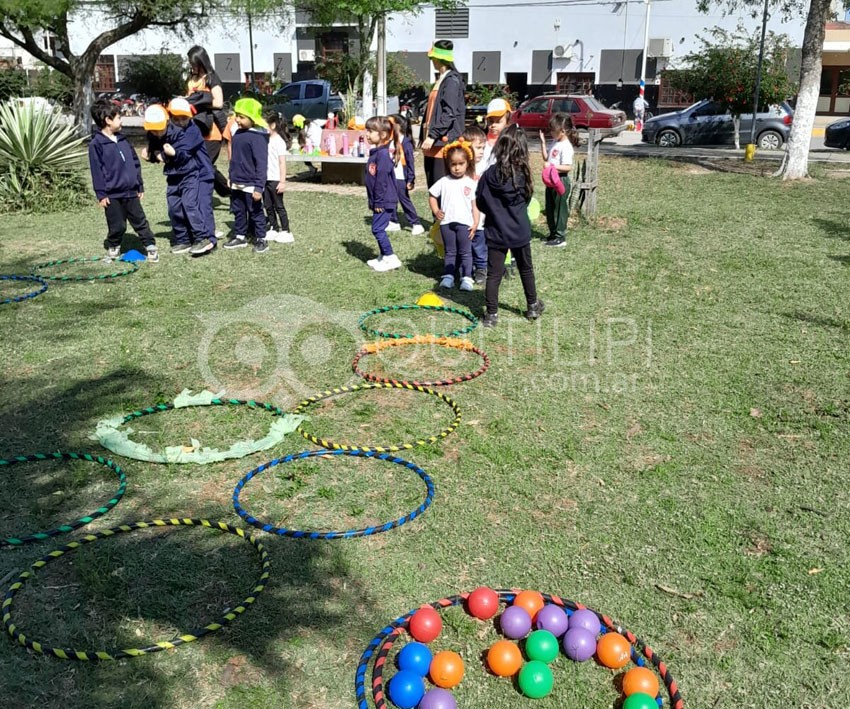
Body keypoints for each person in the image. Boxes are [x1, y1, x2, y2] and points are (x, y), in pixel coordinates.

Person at [475, 124, 544, 328]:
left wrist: (495, 213)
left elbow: (480, 201)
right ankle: (532, 305)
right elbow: (527, 197)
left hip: (496, 230)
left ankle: (491, 315)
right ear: (521, 150)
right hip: (519, 230)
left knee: (494, 274)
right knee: (525, 268)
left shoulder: (488, 175)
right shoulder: (523, 174)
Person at [142, 100, 217, 255]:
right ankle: (187, 239)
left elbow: (179, 152)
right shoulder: (165, 131)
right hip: (180, 172)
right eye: (176, 118)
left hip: (201, 172)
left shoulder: (191, 131)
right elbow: (159, 148)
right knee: (178, 207)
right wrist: (152, 154)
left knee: (200, 206)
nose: (180, 121)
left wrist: (159, 155)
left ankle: (208, 240)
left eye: (184, 118)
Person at [88, 99, 158, 262]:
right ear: (108, 120)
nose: (121, 121)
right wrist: (101, 193)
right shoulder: (96, 144)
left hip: (131, 191)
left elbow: (134, 162)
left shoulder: (123, 140)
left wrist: (139, 184)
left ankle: (150, 245)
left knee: (140, 221)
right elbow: (96, 171)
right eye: (118, 117)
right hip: (112, 194)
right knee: (117, 224)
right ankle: (113, 246)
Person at [428, 141, 480, 291]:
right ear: (448, 164)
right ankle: (449, 276)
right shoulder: (444, 182)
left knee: (465, 252)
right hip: (446, 223)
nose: (457, 168)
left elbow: (474, 205)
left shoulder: (471, 183)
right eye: (453, 164)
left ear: (467, 163)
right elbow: (432, 195)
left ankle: (467, 278)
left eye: (461, 164)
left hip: (465, 223)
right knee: (450, 251)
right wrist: (436, 210)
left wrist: (476, 222)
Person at [224, 98, 269, 254]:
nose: (237, 119)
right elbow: (235, 159)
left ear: (252, 119)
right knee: (238, 210)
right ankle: (240, 236)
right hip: (237, 181)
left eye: (242, 117)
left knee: (255, 212)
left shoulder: (257, 137)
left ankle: (261, 238)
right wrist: (231, 176)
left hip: (251, 183)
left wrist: (259, 187)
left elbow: (261, 164)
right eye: (237, 115)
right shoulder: (236, 134)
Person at [420, 40, 466, 188]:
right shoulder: (441, 79)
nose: (432, 61)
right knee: (433, 187)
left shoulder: (451, 81)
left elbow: (449, 113)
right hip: (432, 143)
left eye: (433, 57)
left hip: (441, 143)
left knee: (441, 188)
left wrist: (433, 135)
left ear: (438, 59)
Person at [186, 45, 229, 198]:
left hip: (212, 131)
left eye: (193, 63)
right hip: (195, 127)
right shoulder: (192, 79)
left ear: (201, 61)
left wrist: (201, 102)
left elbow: (219, 102)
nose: (191, 66)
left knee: (205, 163)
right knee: (200, 163)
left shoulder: (212, 78)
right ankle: (226, 189)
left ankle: (224, 190)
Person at [363, 116, 402, 272]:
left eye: (371, 131)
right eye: (367, 130)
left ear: (383, 134)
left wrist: (378, 202)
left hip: (384, 200)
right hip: (378, 200)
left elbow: (382, 181)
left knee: (377, 229)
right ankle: (382, 256)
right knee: (377, 227)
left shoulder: (383, 156)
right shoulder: (376, 153)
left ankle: (391, 257)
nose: (367, 134)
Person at [539, 113, 580, 247]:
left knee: (559, 208)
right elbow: (546, 158)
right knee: (550, 207)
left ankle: (560, 236)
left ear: (562, 131)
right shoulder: (555, 142)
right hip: (551, 180)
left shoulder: (566, 146)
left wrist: (552, 166)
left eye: (553, 130)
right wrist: (543, 143)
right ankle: (552, 233)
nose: (551, 132)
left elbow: (568, 167)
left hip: (560, 181)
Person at [387, 114, 424, 235]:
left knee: (404, 201)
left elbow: (410, 162)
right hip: (390, 176)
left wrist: (410, 179)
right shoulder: (390, 141)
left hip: (401, 177)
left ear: (397, 125)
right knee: (390, 199)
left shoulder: (406, 142)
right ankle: (393, 222)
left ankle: (416, 223)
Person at [262, 110, 294, 244]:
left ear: (273, 125)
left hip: (275, 179)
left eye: (265, 125)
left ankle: (286, 230)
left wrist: (282, 181)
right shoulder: (265, 140)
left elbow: (282, 163)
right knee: (268, 205)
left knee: (279, 206)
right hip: (265, 179)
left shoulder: (279, 142)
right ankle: (274, 228)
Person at [463, 123, 488, 284]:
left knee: (479, 243)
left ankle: (481, 267)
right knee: (465, 244)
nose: (481, 151)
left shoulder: (485, 167)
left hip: (481, 215)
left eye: (483, 148)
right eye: (478, 147)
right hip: (464, 215)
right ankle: (465, 267)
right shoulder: (461, 167)